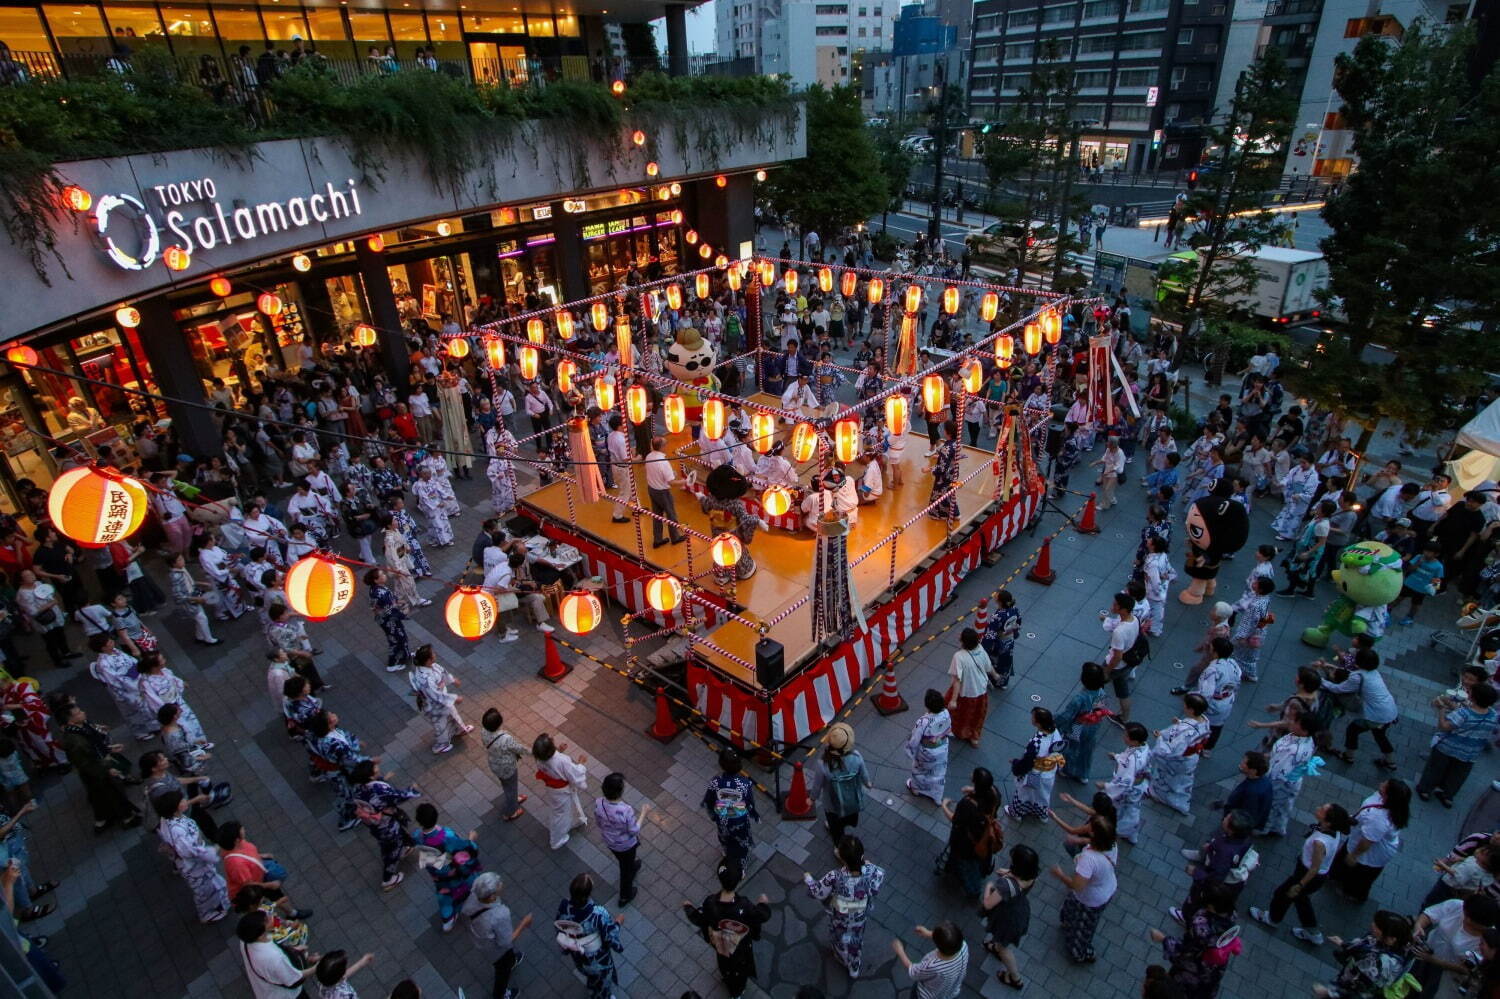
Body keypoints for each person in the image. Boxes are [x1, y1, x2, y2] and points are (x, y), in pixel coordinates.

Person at [1250, 802, 1351, 945]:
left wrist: (1299, 884)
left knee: (1282, 894)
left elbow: (1314, 868)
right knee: (1301, 900)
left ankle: (1272, 919)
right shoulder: (1333, 831)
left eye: (1322, 810)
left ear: (1328, 822)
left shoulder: (1320, 842)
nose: (1318, 808)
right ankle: (1313, 932)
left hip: (1307, 875)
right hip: (1314, 876)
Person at [682, 858, 772, 999]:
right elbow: (762, 916)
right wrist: (763, 904)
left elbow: (701, 920)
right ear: (741, 878)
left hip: (721, 946)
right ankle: (737, 993)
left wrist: (689, 909)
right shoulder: (745, 906)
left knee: (725, 966)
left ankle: (727, 978)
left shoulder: (710, 902)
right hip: (740, 948)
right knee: (740, 971)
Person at [805, 834, 886, 979]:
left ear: (842, 858)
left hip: (840, 918)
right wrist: (867, 865)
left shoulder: (835, 877)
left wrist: (809, 880)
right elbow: (874, 889)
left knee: (841, 939)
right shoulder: (874, 871)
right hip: (859, 917)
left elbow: (818, 893)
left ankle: (841, 956)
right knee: (855, 939)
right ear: (862, 854)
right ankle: (854, 966)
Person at [1149, 883, 1241, 999]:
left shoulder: (1201, 928)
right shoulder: (1231, 913)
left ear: (1211, 906)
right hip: (1212, 972)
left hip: (1194, 972)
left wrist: (1162, 939)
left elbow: (1184, 952)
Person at [1418, 680, 1499, 807]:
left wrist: (1442, 710)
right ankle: (1447, 796)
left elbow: (1444, 726)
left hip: (1447, 747)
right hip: (1470, 753)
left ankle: (1425, 791)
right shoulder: (1494, 716)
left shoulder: (1463, 714)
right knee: (1458, 775)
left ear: (1473, 697)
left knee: (1435, 769)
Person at [155, 789, 230, 923]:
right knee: (204, 891)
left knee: (210, 886)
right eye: (182, 801)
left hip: (193, 862)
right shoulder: (177, 831)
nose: (185, 801)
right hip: (193, 866)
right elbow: (190, 851)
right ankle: (206, 914)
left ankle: (219, 903)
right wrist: (215, 849)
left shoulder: (169, 820)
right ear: (175, 808)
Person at [1051, 815, 1118, 964]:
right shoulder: (1110, 844)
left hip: (1090, 900)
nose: (1086, 826)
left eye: (1090, 827)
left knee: (1083, 926)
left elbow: (1076, 886)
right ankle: (1068, 922)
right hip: (1106, 888)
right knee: (1072, 906)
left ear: (1094, 834)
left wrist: (1060, 875)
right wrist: (1079, 840)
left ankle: (1081, 953)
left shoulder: (1088, 860)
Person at [1333, 779, 1411, 903]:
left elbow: (1367, 842)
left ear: (1388, 795)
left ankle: (1352, 894)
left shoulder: (1380, 819)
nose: (1381, 784)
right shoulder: (1389, 804)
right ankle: (1338, 876)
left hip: (1369, 853)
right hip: (1361, 838)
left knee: (1359, 875)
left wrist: (1354, 855)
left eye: (1384, 786)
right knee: (1345, 862)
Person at [1323, 648, 1400, 771]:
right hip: (1390, 712)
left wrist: (1320, 680)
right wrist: (1333, 667)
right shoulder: (1374, 672)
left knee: (1353, 730)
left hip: (1376, 715)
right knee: (1380, 735)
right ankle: (1390, 762)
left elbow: (1338, 689)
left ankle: (1349, 756)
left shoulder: (1358, 677)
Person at [350, 759, 419, 891]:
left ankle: (403, 848)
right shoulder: (379, 789)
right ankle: (387, 879)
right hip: (386, 826)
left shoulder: (358, 787)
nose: (378, 769)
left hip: (376, 825)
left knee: (392, 841)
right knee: (391, 851)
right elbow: (397, 797)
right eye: (376, 770)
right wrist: (412, 790)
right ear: (370, 776)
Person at [1414, 895, 1500, 999]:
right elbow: (1430, 914)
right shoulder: (1456, 905)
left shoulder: (1489, 940)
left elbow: (1469, 969)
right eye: (1466, 914)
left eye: (1470, 919)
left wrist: (1434, 961)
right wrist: (1418, 926)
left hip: (1446, 974)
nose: (1465, 919)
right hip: (1424, 951)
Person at [555, 872, 625, 999]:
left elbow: (559, 926)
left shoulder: (564, 906)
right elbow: (610, 935)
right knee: (602, 979)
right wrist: (618, 922)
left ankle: (592, 987)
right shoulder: (598, 913)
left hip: (578, 954)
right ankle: (603, 996)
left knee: (589, 973)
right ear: (588, 894)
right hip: (598, 957)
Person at [413, 803, 482, 932]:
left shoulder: (417, 836)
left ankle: (447, 919)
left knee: (444, 893)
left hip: (437, 872)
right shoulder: (447, 835)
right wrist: (471, 840)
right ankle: (475, 901)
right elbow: (463, 850)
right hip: (452, 870)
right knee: (468, 883)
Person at [980, 844, 1039, 990]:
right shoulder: (1032, 875)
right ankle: (996, 945)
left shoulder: (1006, 886)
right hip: (1019, 911)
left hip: (1007, 918)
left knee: (1004, 949)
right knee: (1001, 941)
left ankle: (1015, 978)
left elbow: (987, 904)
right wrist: (1010, 874)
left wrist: (988, 887)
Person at [465, 871, 531, 999]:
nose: (501, 884)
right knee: (502, 972)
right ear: (491, 897)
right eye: (498, 886)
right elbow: (506, 942)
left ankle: (512, 960)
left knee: (508, 957)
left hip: (480, 936)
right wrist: (523, 924)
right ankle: (500, 995)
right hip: (496, 951)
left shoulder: (474, 894)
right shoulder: (499, 915)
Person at [940, 767, 1002, 898]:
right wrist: (973, 791)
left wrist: (944, 806)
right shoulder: (995, 795)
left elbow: (955, 820)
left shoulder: (967, 805)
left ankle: (973, 890)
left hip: (966, 844)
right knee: (976, 863)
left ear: (975, 782)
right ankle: (975, 879)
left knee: (967, 865)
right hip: (984, 840)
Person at [1147, 693, 1211, 814]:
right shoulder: (1205, 721)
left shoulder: (1185, 730)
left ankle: (1160, 796)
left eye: (1185, 706)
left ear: (1191, 710)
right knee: (1183, 781)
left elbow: (1169, 751)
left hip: (1178, 760)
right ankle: (1181, 801)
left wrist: (1160, 738)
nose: (1183, 707)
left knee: (1167, 780)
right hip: (1191, 757)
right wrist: (1180, 723)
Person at [1258, 714, 1321, 836]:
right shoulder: (1306, 739)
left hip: (1282, 782)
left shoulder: (1295, 749)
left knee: (1273, 805)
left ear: (1304, 730)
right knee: (1283, 807)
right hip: (1290, 780)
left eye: (1296, 722)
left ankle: (1265, 828)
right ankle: (1279, 828)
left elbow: (1280, 772)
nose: (1292, 722)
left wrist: (1268, 785)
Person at [808, 722, 871, 844]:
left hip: (832, 805)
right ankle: (842, 825)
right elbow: (864, 775)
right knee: (847, 818)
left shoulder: (823, 764)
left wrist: (812, 799)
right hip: (852, 800)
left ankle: (838, 846)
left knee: (835, 827)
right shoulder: (857, 757)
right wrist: (867, 783)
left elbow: (817, 786)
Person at [237, 908, 319, 999]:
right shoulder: (275, 957)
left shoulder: (245, 941)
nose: (271, 917)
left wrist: (295, 950)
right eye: (267, 921)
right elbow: (295, 978)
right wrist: (317, 967)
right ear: (260, 935)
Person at [594, 772, 648, 906]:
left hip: (610, 842)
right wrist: (643, 813)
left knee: (624, 861)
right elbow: (634, 830)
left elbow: (598, 822)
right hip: (626, 845)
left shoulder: (599, 802)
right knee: (625, 871)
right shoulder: (625, 810)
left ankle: (631, 866)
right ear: (620, 791)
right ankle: (625, 896)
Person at [408, 645, 471, 754]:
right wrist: (455, 698)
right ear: (428, 660)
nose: (435, 655)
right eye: (433, 654)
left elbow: (443, 672)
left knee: (453, 714)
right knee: (440, 725)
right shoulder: (425, 679)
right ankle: (440, 745)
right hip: (433, 705)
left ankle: (459, 730)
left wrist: (452, 680)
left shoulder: (431, 666)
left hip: (441, 698)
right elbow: (435, 695)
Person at [1005, 707, 1066, 820]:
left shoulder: (1036, 742)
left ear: (1038, 723)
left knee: (1024, 793)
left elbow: (1027, 762)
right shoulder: (1055, 732)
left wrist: (1016, 764)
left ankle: (1017, 813)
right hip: (1049, 772)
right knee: (1043, 795)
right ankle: (1042, 814)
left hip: (1035, 773)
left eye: (1033, 717)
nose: (1031, 719)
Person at [1056, 662, 1112, 782]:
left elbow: (1067, 716)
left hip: (1077, 727)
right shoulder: (1102, 693)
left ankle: (1067, 770)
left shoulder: (1079, 699)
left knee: (1071, 748)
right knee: (1086, 750)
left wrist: (1054, 722)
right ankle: (1083, 774)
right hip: (1093, 726)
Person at [534, 732, 588, 850]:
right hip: (562, 791)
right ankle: (556, 840)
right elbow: (574, 774)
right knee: (560, 814)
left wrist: (559, 750)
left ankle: (575, 821)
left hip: (553, 789)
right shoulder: (562, 760)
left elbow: (553, 764)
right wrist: (581, 764)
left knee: (565, 809)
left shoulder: (540, 759)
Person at [704, 747, 759, 862]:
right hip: (739, 818)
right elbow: (749, 803)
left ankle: (726, 851)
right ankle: (743, 858)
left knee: (724, 836)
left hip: (723, 816)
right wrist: (753, 813)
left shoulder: (716, 782)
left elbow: (708, 800)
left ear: (721, 764)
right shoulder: (745, 784)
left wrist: (713, 815)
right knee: (742, 837)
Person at [946, 628, 999, 747]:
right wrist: (995, 675)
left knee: (960, 714)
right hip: (980, 690)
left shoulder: (959, 656)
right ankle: (974, 737)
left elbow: (957, 680)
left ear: (963, 641)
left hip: (965, 691)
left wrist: (953, 700)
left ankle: (956, 731)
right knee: (977, 716)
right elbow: (988, 666)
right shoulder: (980, 649)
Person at [1101, 721, 1151, 843]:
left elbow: (1126, 782)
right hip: (1137, 786)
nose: (1124, 737)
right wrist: (1117, 757)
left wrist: (1107, 786)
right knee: (1131, 811)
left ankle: (1120, 832)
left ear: (1135, 741)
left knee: (1126, 812)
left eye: (1126, 736)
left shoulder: (1134, 759)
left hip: (1129, 789)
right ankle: (1131, 834)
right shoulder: (1144, 747)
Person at [892, 921, 969, 999]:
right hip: (952, 991)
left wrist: (900, 952)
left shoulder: (933, 965)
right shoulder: (964, 946)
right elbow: (950, 941)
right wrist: (928, 933)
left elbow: (914, 972)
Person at [481, 709, 528, 822]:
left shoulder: (483, 731)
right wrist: (534, 751)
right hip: (508, 768)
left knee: (507, 786)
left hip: (495, 765)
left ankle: (513, 798)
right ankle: (511, 812)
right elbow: (519, 749)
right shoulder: (505, 738)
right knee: (511, 787)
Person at [904, 692, 951, 803]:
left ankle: (916, 788)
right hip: (942, 747)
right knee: (939, 771)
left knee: (920, 770)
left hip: (926, 752)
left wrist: (909, 749)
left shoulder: (923, 721)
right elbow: (948, 728)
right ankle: (937, 795)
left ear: (927, 705)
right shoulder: (946, 713)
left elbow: (914, 740)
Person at [365, 568, 413, 673]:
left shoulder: (375, 589)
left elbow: (385, 604)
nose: (384, 575)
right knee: (396, 640)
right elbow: (390, 610)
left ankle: (406, 654)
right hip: (388, 621)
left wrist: (397, 602)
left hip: (385, 619)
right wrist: (404, 613)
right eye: (381, 574)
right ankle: (392, 664)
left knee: (401, 637)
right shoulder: (381, 592)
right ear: (376, 580)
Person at [981, 589, 1021, 688]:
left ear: (999, 601)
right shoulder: (1015, 609)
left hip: (998, 643)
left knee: (995, 661)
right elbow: (1018, 622)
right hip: (1009, 640)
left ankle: (994, 681)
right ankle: (1003, 682)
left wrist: (984, 648)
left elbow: (990, 634)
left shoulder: (997, 616)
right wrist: (1014, 632)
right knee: (1006, 661)